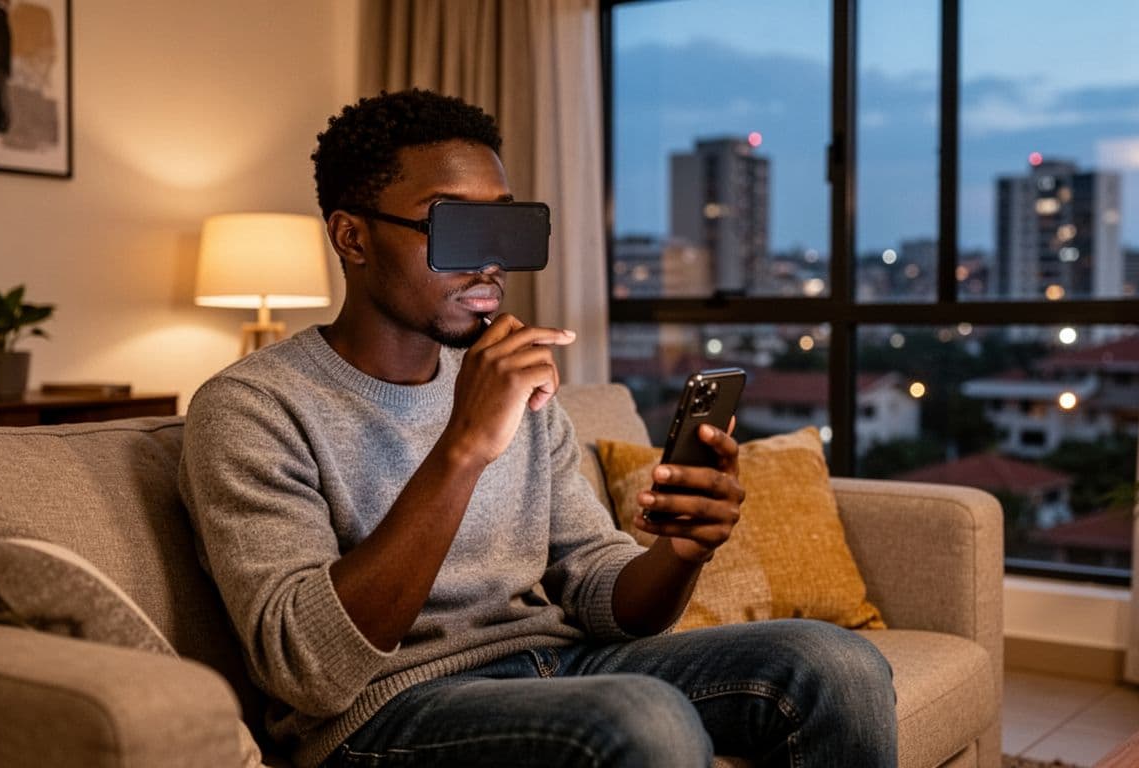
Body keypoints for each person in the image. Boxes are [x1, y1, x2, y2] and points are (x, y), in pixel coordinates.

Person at [179, 88, 896, 768]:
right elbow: (310, 668)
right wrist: (464, 447)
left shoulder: (517, 389)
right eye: (456, 226)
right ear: (352, 237)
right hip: (389, 708)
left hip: (561, 663)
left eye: (506, 224)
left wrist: (679, 551)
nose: (491, 259)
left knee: (836, 665)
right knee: (641, 718)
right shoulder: (252, 408)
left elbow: (598, 590)